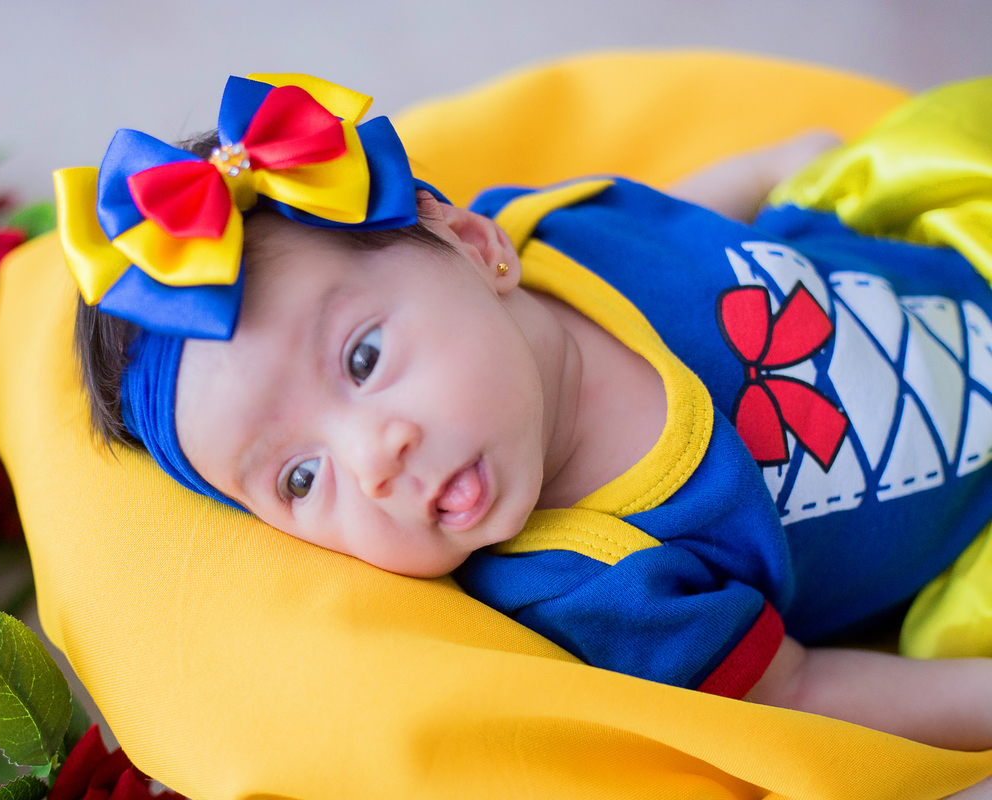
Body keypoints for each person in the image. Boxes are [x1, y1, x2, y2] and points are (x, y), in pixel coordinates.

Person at [55, 72, 992, 752]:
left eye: (364, 358)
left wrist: (771, 169)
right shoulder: (594, 582)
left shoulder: (546, 237)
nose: (376, 462)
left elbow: (667, 212)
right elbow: (803, 688)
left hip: (937, 259)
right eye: (301, 478)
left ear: (474, 245)